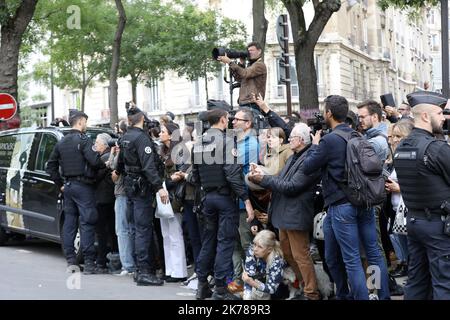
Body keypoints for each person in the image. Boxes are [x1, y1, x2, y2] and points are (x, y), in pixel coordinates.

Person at [303, 95, 390, 300]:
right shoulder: (357, 136)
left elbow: (308, 167)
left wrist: (315, 144)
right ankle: (378, 294)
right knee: (371, 253)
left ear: (329, 114)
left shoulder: (329, 140)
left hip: (341, 206)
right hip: (363, 202)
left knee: (351, 258)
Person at [248, 123, 322, 300]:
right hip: (284, 213)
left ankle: (311, 293)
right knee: (288, 254)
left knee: (301, 255)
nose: (289, 139)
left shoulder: (309, 159)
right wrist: (262, 173)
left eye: (293, 137)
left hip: (296, 214)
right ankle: (304, 286)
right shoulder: (294, 156)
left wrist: (263, 179)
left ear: (302, 140)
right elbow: (280, 178)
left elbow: (292, 186)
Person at [191, 108, 255, 300]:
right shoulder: (226, 141)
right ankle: (220, 288)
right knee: (225, 242)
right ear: (222, 120)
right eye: (228, 118)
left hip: (207, 198)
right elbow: (233, 174)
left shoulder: (198, 143)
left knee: (208, 241)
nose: (229, 121)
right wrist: (246, 199)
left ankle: (202, 284)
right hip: (224, 199)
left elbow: (195, 175)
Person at [394, 90, 450, 300]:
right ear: (426, 116)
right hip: (438, 226)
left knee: (417, 281)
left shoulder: (402, 147)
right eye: (440, 113)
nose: (443, 118)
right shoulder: (436, 149)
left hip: (415, 222)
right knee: (444, 284)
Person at [46, 110, 105, 274]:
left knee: (70, 224)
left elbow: (50, 166)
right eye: (85, 122)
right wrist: (103, 161)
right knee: (87, 222)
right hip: (83, 187)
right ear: (79, 122)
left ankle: (71, 261)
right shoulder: (84, 140)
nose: (86, 125)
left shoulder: (62, 142)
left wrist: (60, 185)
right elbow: (94, 161)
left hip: (69, 187)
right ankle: (89, 263)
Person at [116, 106, 168, 286]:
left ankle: (140, 269)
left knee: (137, 229)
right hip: (142, 189)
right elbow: (148, 167)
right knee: (143, 230)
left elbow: (120, 165)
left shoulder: (125, 137)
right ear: (142, 119)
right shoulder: (141, 138)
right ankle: (145, 271)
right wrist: (159, 187)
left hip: (131, 187)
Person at [158, 122, 188, 282]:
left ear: (171, 134)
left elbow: (182, 174)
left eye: (162, 131)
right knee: (166, 235)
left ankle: (179, 271)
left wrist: (168, 181)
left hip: (175, 196)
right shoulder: (162, 151)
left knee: (175, 234)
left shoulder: (181, 150)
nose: (159, 134)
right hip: (163, 195)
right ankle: (170, 270)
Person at [385, 119, 414, 278]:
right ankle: (405, 265)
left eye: (398, 136)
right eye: (393, 136)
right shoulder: (396, 157)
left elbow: (420, 184)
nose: (394, 140)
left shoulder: (412, 156)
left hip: (409, 210)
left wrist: (399, 188)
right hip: (395, 209)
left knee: (409, 243)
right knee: (398, 239)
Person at [109, 120, 136, 276]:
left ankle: (128, 265)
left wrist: (114, 154)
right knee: (133, 228)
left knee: (122, 229)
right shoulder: (134, 143)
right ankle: (134, 263)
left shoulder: (124, 146)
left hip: (122, 191)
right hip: (134, 192)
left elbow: (114, 170)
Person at [93, 133, 118, 273]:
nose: (95, 145)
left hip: (103, 199)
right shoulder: (109, 156)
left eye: (97, 142)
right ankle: (113, 258)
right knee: (111, 231)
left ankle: (102, 261)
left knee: (102, 232)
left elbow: (95, 177)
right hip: (109, 198)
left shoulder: (103, 158)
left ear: (104, 144)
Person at [217, 42, 267, 111]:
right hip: (244, 102)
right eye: (248, 51)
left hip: (252, 103)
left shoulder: (260, 65)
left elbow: (245, 73)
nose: (249, 53)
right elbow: (240, 79)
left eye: (251, 50)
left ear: (259, 51)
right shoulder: (251, 65)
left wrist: (230, 62)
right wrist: (241, 64)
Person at [242, 230, 286, 300]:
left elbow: (272, 288)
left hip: (277, 285)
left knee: (277, 295)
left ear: (269, 249)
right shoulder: (252, 250)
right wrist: (247, 296)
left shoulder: (277, 260)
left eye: (260, 247)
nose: (255, 249)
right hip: (260, 280)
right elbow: (248, 277)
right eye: (255, 244)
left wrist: (253, 283)